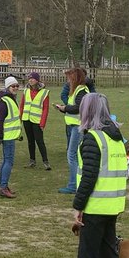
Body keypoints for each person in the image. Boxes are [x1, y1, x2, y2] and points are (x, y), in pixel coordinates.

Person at [52, 92, 127, 258]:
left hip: (95, 208)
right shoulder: (116, 137)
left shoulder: (93, 139)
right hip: (112, 206)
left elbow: (89, 177)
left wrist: (78, 206)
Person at [54, 67, 91, 195]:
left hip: (78, 127)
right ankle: (77, 183)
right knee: (76, 156)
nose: (68, 80)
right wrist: (64, 108)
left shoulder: (81, 90)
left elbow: (80, 108)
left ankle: (73, 185)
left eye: (69, 77)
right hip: (74, 126)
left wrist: (65, 108)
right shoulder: (77, 90)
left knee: (72, 155)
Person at [0, 76, 22, 198]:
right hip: (7, 137)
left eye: (17, 86)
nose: (15, 88)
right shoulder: (5, 101)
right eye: (13, 86)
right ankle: (3, 187)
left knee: (6, 161)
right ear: (8, 87)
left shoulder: (10, 99)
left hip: (11, 135)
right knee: (8, 162)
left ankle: (2, 186)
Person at [20, 71, 51, 170]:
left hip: (37, 121)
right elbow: (22, 105)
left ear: (37, 80)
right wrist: (20, 117)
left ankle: (46, 162)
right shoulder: (26, 91)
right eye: (29, 78)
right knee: (30, 141)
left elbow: (45, 109)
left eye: (32, 78)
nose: (30, 80)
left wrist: (43, 123)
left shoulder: (44, 92)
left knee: (39, 141)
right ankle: (32, 161)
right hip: (26, 119)